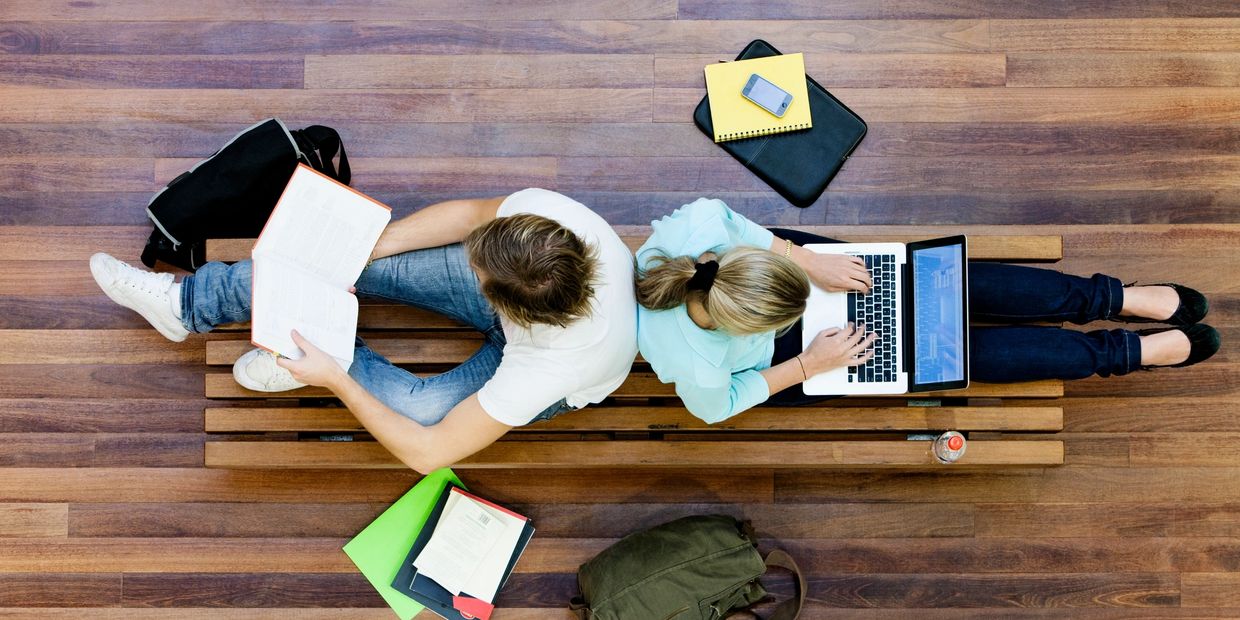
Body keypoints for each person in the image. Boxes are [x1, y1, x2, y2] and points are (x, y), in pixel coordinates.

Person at [90, 189, 637, 473]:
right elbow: (472, 212)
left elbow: (429, 451)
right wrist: (368, 250)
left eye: (477, 272)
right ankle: (185, 304)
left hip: (553, 370)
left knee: (420, 412)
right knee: (340, 259)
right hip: (539, 308)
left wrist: (336, 379)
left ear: (500, 300)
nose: (466, 264)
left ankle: (320, 359)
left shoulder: (551, 367)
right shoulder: (548, 223)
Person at [635, 198, 1220, 424]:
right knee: (947, 354)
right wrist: (810, 365)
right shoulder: (696, 366)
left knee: (946, 288)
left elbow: (742, 229)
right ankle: (1121, 353)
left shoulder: (698, 231)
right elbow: (720, 407)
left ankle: (1111, 297)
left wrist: (810, 264)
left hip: (797, 267)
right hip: (792, 358)